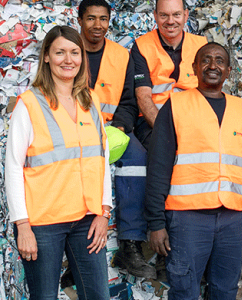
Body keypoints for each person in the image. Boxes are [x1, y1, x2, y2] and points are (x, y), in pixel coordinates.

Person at [145, 42, 242, 299]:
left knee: (225, 290)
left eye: (220, 61)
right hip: (188, 220)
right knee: (185, 290)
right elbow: (158, 167)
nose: (213, 66)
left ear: (229, 70)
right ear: (195, 68)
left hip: (232, 221)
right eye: (206, 60)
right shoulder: (176, 106)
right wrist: (156, 222)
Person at [5, 25, 111, 299]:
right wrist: (23, 226)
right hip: (43, 223)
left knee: (98, 295)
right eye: (60, 52)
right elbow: (13, 167)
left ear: (82, 57)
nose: (68, 59)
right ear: (47, 57)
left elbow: (102, 160)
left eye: (75, 52)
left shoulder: (91, 102)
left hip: (86, 220)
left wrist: (104, 212)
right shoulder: (29, 104)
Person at [77, 0, 155, 278]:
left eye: (103, 19)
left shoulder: (123, 55)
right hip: (74, 129)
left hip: (114, 129)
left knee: (137, 160)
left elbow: (129, 101)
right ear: (80, 20)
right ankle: (76, 252)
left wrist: (121, 127)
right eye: (91, 18)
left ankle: (130, 245)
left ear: (109, 21)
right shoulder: (69, 51)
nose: (97, 25)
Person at [131, 0, 207, 150]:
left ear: (186, 15)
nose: (170, 21)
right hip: (153, 123)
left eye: (176, 15)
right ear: (155, 16)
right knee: (163, 152)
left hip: (195, 121)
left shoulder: (202, 46)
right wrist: (166, 131)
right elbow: (143, 97)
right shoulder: (142, 46)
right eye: (164, 15)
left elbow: (210, 93)